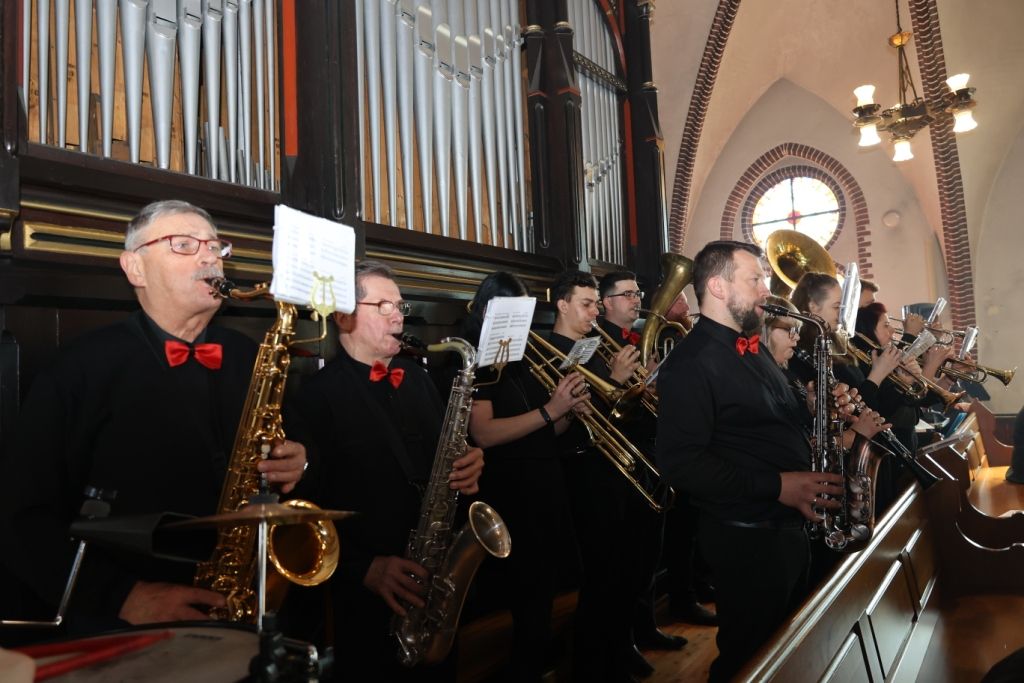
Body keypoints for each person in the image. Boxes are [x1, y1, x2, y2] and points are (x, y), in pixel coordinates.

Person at [0, 199, 307, 635]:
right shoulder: (79, 368)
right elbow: (21, 516)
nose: (208, 257)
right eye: (183, 244)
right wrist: (122, 595)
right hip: (123, 626)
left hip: (243, 608)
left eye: (215, 246)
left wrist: (298, 462)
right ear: (135, 268)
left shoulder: (253, 357)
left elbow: (295, 454)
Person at [655, 240, 850, 682]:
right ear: (718, 287)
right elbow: (681, 463)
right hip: (745, 538)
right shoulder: (690, 363)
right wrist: (779, 486)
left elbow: (773, 419)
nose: (766, 289)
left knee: (786, 654)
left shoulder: (754, 348)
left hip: (785, 529)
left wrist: (815, 408)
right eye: (755, 279)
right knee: (748, 661)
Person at [285, 260, 484, 681]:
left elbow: (447, 453)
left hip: (433, 577)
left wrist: (470, 461)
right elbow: (303, 512)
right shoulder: (314, 397)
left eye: (400, 306)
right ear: (344, 316)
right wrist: (363, 568)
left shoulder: (417, 378)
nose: (399, 316)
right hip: (370, 591)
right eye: (384, 306)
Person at [464, 272, 585, 682]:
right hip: (511, 488)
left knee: (544, 588)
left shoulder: (522, 358)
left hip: (545, 481)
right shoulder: (479, 360)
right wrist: (552, 410)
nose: (523, 323)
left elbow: (550, 429)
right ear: (489, 311)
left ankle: (538, 659)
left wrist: (569, 409)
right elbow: (484, 433)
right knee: (527, 590)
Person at [595, 271, 688, 660]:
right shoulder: (594, 343)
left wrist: (652, 382)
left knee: (651, 548)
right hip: (622, 458)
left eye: (638, 293)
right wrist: (628, 383)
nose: (637, 300)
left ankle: (646, 627)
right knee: (628, 557)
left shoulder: (636, 339)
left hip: (651, 451)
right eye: (628, 294)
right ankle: (624, 640)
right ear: (606, 303)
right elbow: (605, 406)